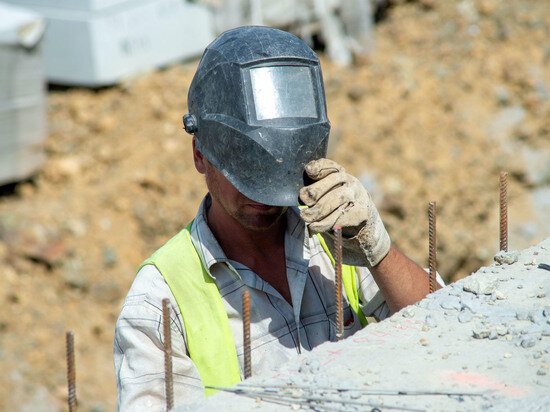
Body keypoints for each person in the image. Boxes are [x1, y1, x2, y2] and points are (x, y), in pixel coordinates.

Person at [114, 26, 441, 410]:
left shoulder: (333, 230)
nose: (261, 194)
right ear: (200, 155)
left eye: (276, 174)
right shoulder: (159, 300)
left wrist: (378, 250)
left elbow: (447, 332)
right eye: (245, 173)